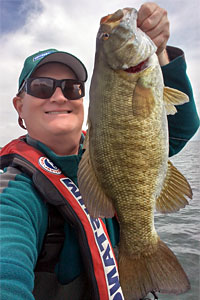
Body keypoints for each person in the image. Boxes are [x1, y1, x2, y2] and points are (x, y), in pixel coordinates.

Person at [0, 2, 199, 300]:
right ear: (19, 106)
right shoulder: (14, 191)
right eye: (42, 86)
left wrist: (159, 53)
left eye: (71, 87)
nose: (58, 95)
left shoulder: (102, 150)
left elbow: (181, 127)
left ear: (83, 100)